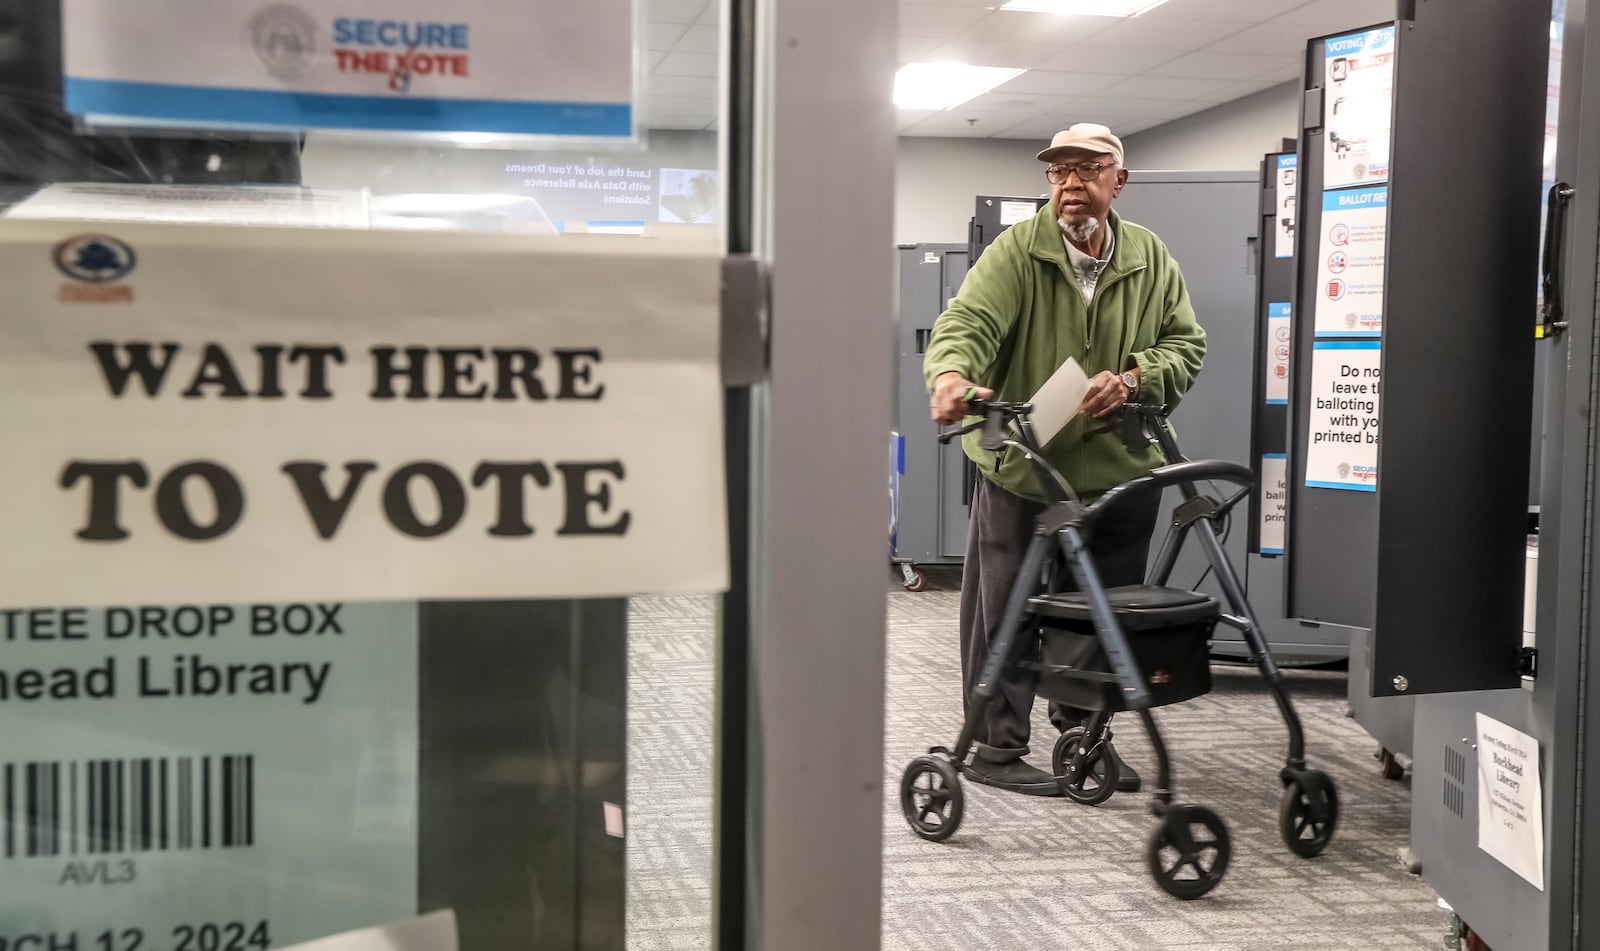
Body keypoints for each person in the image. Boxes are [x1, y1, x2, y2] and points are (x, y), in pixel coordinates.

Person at [923, 123, 1206, 796]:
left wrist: (1136, 378)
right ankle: (994, 744)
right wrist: (950, 374)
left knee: (1099, 611)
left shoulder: (1149, 255)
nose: (1070, 183)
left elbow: (1185, 344)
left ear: (1119, 180)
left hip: (1118, 468)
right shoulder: (1017, 250)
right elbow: (968, 321)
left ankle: (1085, 737)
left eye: (1088, 169)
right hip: (1027, 463)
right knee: (1006, 607)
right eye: (1058, 171)